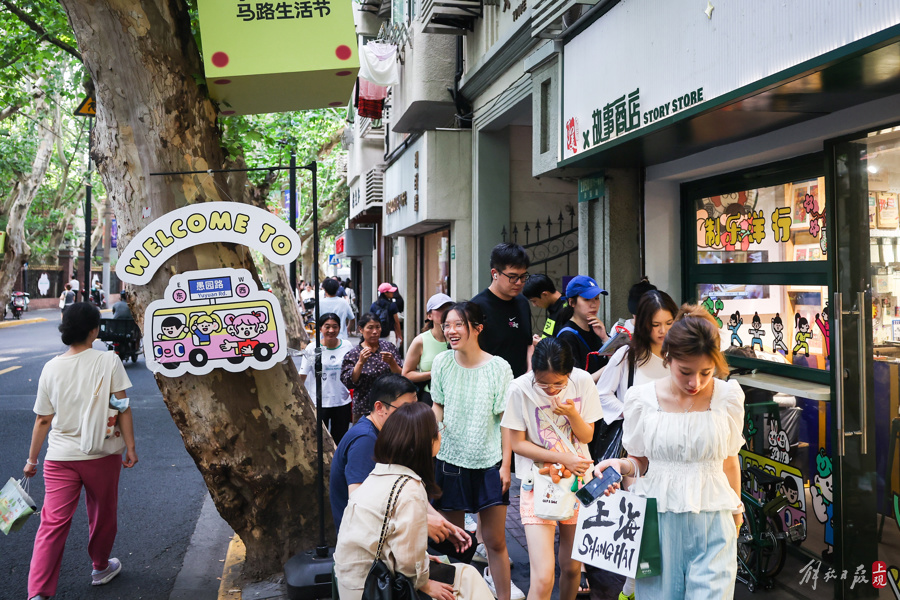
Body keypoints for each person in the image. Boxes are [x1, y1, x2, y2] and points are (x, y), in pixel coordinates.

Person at [594, 304, 745, 600]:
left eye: (706, 372)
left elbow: (729, 460)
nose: (695, 383)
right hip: (657, 522)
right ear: (668, 357)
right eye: (685, 371)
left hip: (714, 522)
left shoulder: (728, 397)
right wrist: (621, 466)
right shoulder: (642, 399)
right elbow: (640, 461)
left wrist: (737, 513)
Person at [23, 302, 138, 600]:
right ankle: (100, 567)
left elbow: (43, 420)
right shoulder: (109, 361)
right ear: (94, 331)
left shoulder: (51, 367)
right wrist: (131, 447)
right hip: (102, 453)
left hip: (60, 458)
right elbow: (122, 407)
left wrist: (32, 459)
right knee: (102, 513)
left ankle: (37, 593)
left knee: (52, 524)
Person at [334, 402, 492, 600]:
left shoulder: (382, 472)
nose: (440, 434)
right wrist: (424, 582)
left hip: (356, 581)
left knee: (464, 575)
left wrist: (424, 560)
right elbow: (408, 562)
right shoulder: (410, 488)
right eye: (437, 430)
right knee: (468, 579)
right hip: (374, 589)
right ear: (425, 442)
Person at [431, 302, 525, 600]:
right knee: (455, 543)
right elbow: (438, 407)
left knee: (496, 542)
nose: (451, 330)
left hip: (489, 463)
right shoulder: (442, 363)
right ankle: (460, 594)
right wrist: (433, 444)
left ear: (477, 328)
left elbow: (506, 422)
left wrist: (506, 465)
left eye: (458, 324)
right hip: (448, 461)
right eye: (447, 325)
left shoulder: (499, 367)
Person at [593, 289, 678, 600]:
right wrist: (629, 413)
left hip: (674, 452)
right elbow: (601, 394)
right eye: (656, 324)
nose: (663, 331)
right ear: (643, 324)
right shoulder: (628, 356)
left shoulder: (680, 355)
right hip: (637, 452)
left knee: (665, 524)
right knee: (644, 520)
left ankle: (637, 588)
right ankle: (633, 588)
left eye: (669, 322)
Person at [501, 338, 601, 600]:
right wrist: (561, 457)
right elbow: (517, 443)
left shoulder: (582, 381)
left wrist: (572, 414)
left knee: (572, 568)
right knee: (544, 576)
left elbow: (587, 436)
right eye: (544, 383)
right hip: (537, 482)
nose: (552, 390)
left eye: (559, 383)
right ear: (533, 371)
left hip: (578, 481)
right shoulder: (519, 389)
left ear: (570, 372)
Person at [329, 374, 418, 532]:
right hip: (364, 539)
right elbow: (360, 504)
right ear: (380, 407)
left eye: (415, 407)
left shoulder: (382, 431)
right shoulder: (365, 440)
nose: (412, 415)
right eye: (406, 409)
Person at [471, 243, 534, 378]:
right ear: (495, 273)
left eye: (523, 276)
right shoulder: (476, 307)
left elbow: (528, 343)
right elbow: (466, 352)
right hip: (488, 385)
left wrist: (530, 370)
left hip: (520, 384)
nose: (519, 282)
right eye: (512, 276)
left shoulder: (522, 302)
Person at [300, 313, 353, 444]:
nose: (331, 330)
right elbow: (302, 374)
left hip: (342, 401)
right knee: (318, 441)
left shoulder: (347, 346)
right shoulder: (313, 348)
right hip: (319, 402)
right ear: (320, 328)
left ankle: (337, 465)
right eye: (327, 326)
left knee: (339, 440)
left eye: (335, 326)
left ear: (340, 328)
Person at [341, 313, 404, 421]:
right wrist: (360, 363)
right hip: (363, 408)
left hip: (389, 405)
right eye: (370, 328)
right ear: (361, 329)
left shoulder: (388, 347)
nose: (375, 332)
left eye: (377, 327)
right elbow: (349, 381)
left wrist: (392, 363)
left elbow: (402, 375)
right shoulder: (354, 353)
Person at [402, 293, 453, 405]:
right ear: (429, 315)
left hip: (455, 396)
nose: (445, 312)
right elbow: (406, 373)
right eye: (440, 309)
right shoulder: (420, 341)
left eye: (448, 308)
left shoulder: (458, 337)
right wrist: (433, 373)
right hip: (429, 397)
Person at [556, 275, 609, 380]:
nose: (594, 304)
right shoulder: (567, 336)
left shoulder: (596, 328)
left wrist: (605, 339)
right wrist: (609, 368)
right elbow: (575, 381)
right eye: (587, 299)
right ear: (571, 302)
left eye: (597, 298)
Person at [523, 274, 573, 339]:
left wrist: (540, 343)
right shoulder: (554, 308)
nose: (534, 305)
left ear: (545, 294)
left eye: (534, 301)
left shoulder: (566, 310)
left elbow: (564, 344)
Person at [370, 283, 403, 347]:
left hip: (377, 333)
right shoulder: (392, 305)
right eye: (391, 291)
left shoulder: (374, 305)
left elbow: (371, 321)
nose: (393, 293)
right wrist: (399, 335)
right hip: (390, 333)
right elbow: (396, 322)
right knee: (391, 353)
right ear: (385, 293)